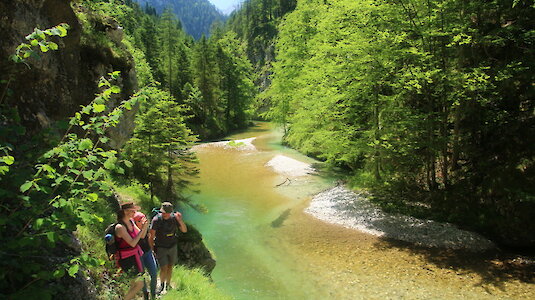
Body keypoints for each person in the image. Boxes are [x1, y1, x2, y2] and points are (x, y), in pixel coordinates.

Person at [149, 202, 187, 294]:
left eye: (167, 212)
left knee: (170, 266)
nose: (165, 214)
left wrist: (180, 220)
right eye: (163, 212)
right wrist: (152, 249)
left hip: (172, 246)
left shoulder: (174, 219)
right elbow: (151, 236)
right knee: (163, 267)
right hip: (161, 247)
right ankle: (161, 285)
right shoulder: (156, 220)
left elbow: (184, 230)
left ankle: (168, 284)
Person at [114, 202, 149, 300]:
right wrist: (142, 230)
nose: (135, 212)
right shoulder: (120, 227)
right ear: (125, 212)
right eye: (132, 210)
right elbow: (133, 243)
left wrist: (145, 226)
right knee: (140, 284)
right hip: (126, 258)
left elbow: (141, 236)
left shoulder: (131, 222)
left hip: (134, 256)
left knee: (134, 284)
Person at [133, 212, 158, 300]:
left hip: (147, 252)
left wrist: (152, 250)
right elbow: (142, 236)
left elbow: (148, 237)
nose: (143, 222)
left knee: (154, 273)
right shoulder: (133, 230)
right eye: (140, 221)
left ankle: (153, 294)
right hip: (138, 255)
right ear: (135, 222)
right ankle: (145, 294)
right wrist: (144, 227)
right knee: (142, 275)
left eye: (143, 220)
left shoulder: (145, 228)